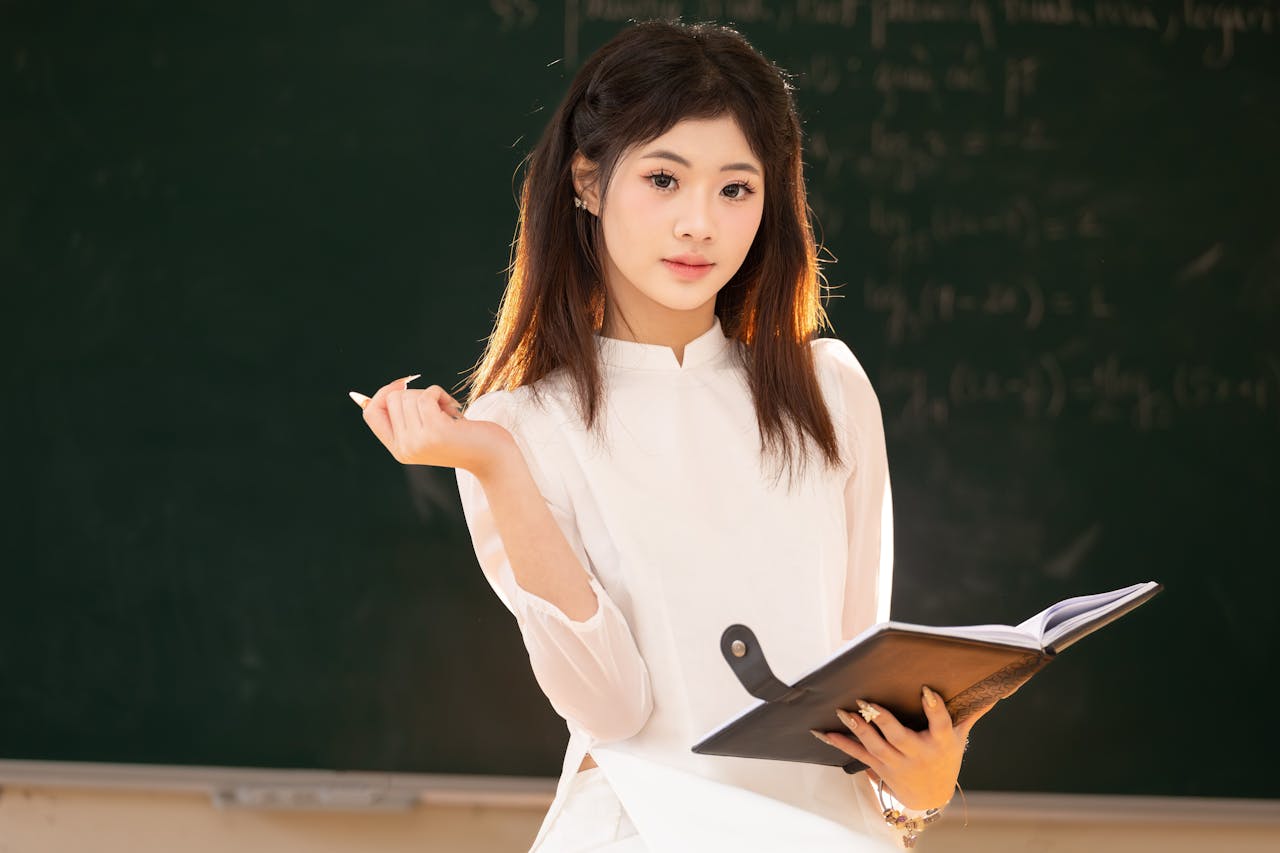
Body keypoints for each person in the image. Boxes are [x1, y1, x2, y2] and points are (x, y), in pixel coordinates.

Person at [350, 19, 994, 852]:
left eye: (736, 189)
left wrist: (920, 791)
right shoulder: (518, 428)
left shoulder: (829, 389)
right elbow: (611, 708)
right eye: (664, 178)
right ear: (588, 181)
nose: (700, 223)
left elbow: (854, 686)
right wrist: (498, 464)